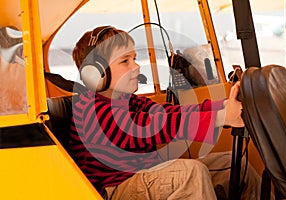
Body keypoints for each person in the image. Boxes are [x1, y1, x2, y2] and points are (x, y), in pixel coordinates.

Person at [70, 26, 261, 199]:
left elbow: (170, 112)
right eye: (125, 61)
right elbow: (150, 126)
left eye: (134, 59)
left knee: (233, 163)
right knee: (190, 174)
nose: (136, 66)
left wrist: (226, 105)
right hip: (115, 189)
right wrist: (220, 118)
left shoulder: (124, 100)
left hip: (145, 175)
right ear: (96, 73)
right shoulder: (91, 109)